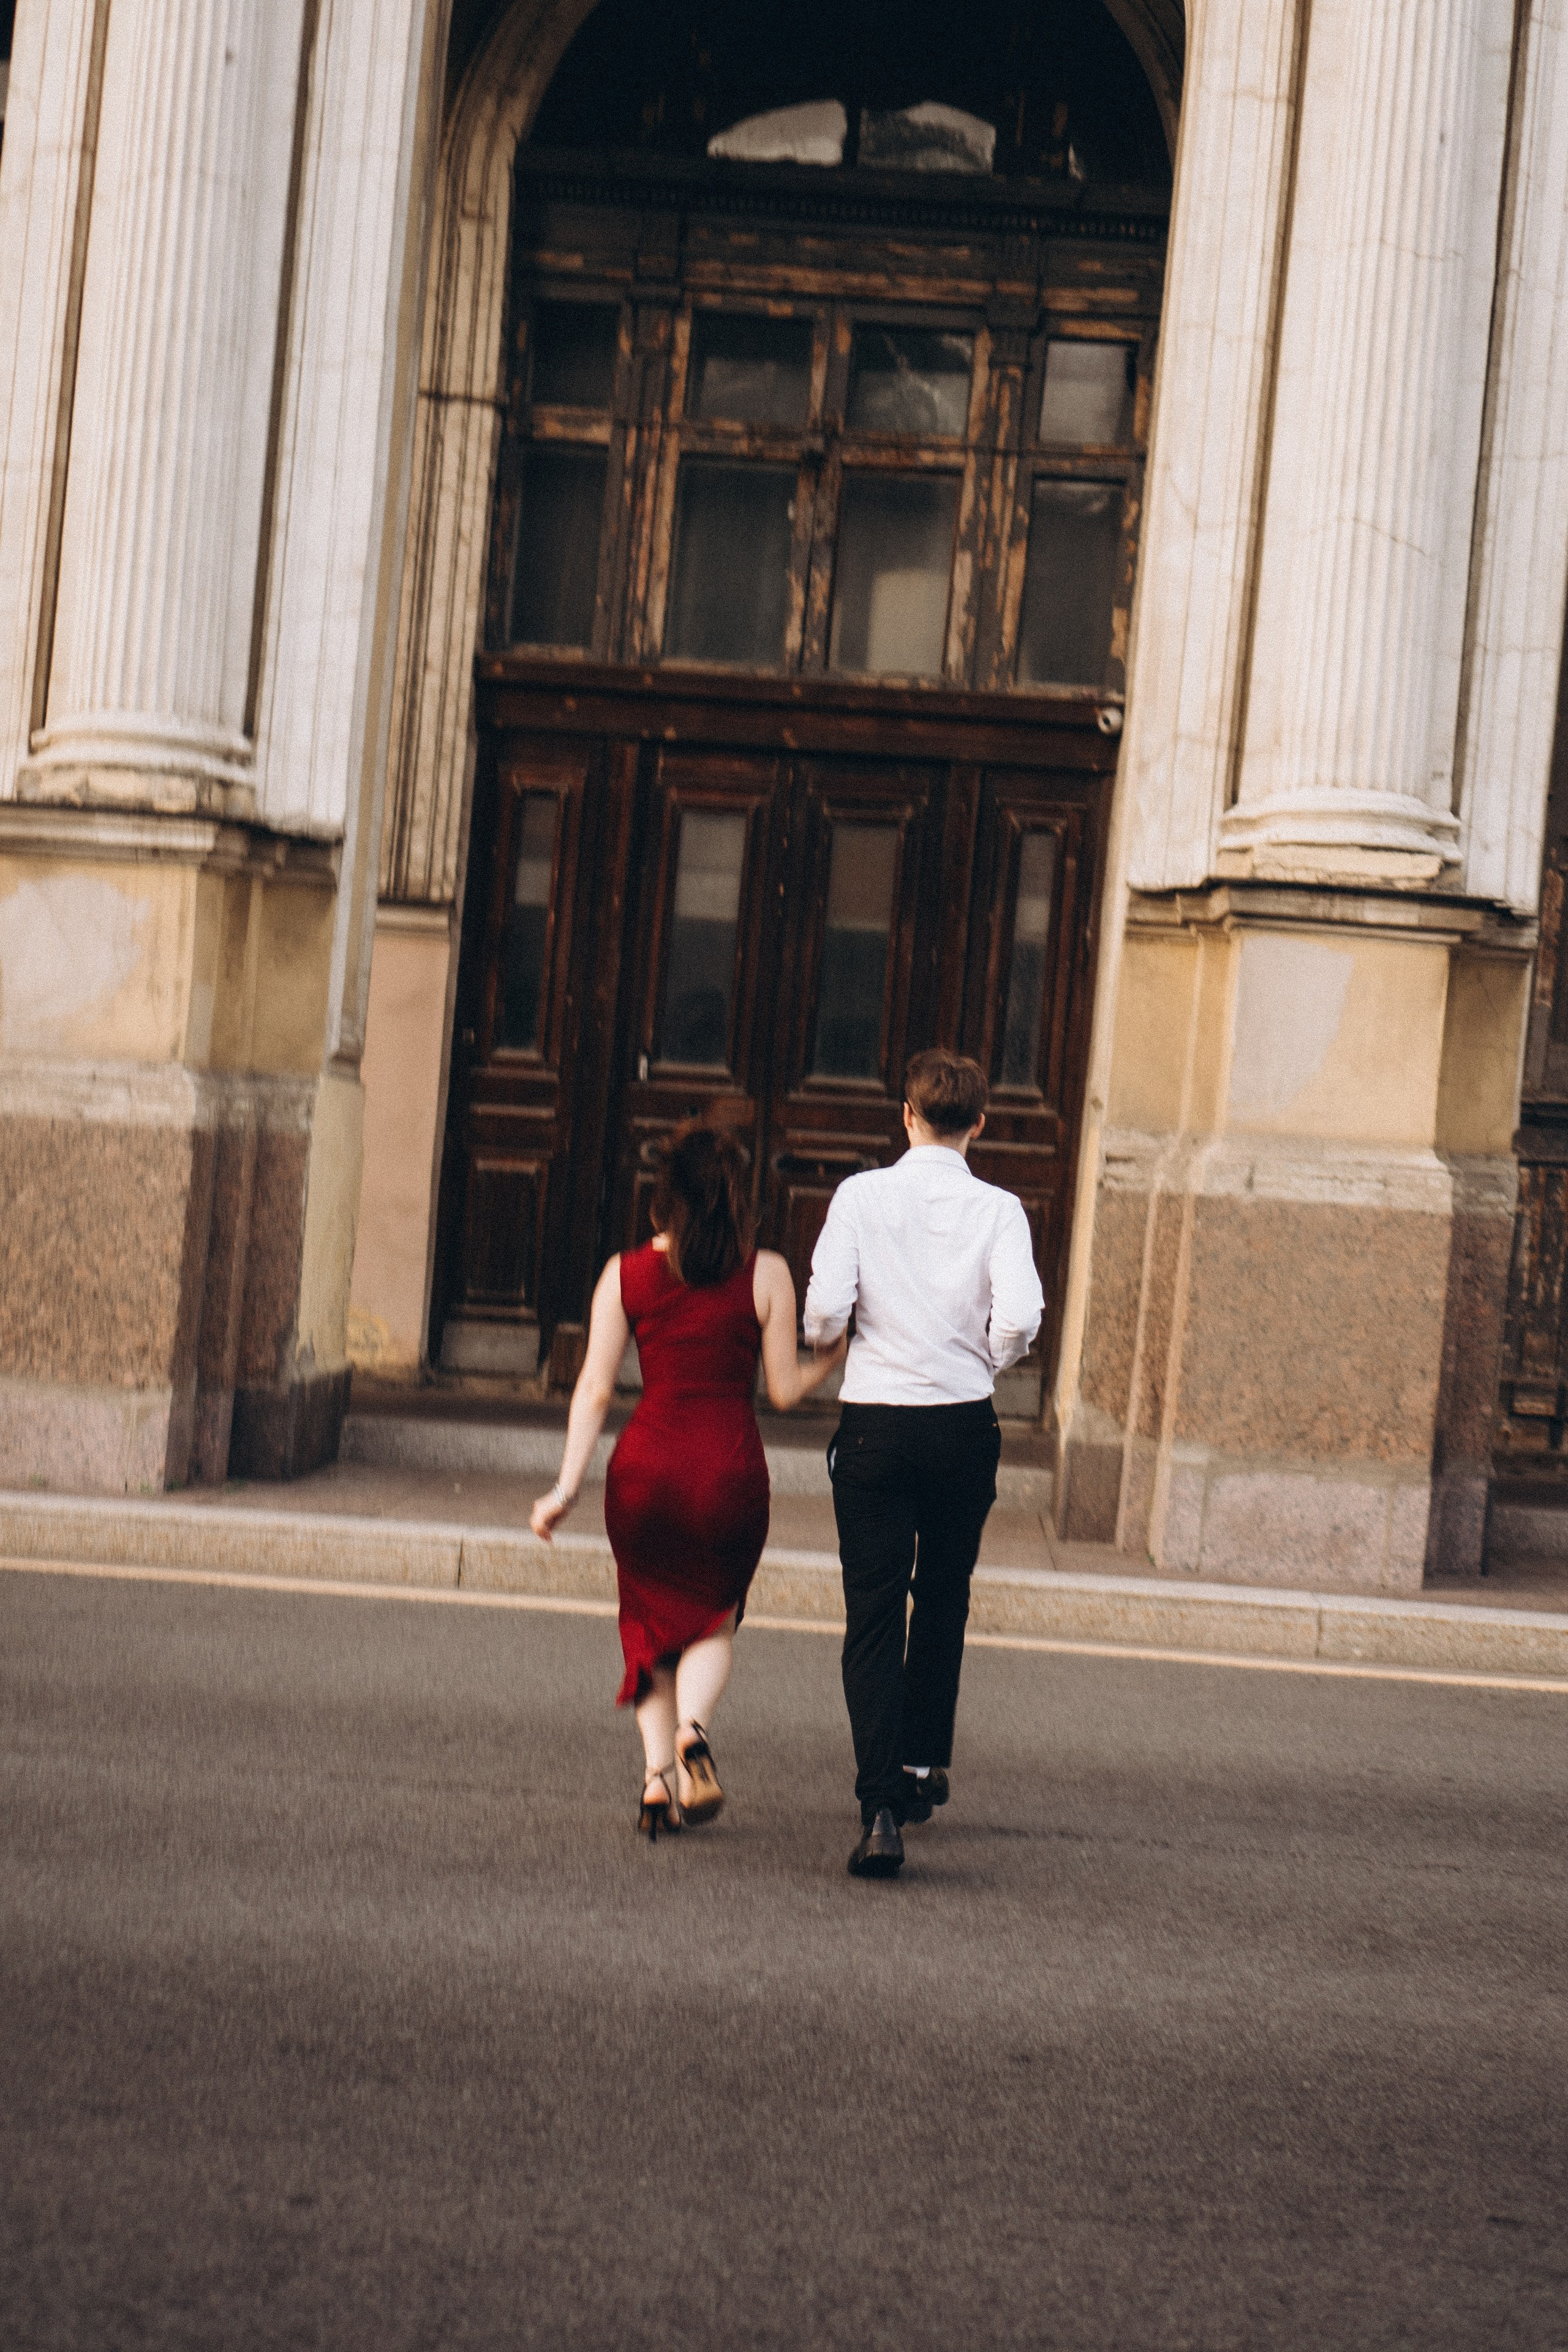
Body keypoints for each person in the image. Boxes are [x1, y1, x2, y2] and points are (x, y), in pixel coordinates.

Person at [531, 1120, 845, 1839]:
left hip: (644, 1475)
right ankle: (692, 1731)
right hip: (725, 1474)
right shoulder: (765, 1273)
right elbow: (784, 1390)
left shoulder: (624, 1274)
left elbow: (594, 1390)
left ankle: (654, 1783)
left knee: (647, 1625)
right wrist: (832, 1359)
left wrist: (565, 1489)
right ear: (736, 1198)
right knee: (712, 1617)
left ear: (662, 1197)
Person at [804, 1047, 1044, 1880]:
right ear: (978, 1122)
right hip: (961, 1424)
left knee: (871, 1612)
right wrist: (983, 1358)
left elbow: (825, 1309)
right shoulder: (1001, 1210)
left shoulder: (860, 1197)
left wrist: (836, 1338)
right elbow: (1020, 1317)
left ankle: (878, 1808)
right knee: (942, 1599)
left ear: (906, 1115)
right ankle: (917, 1765)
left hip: (875, 1424)